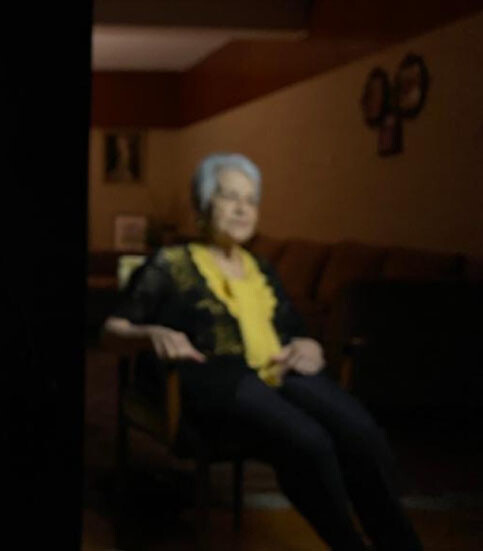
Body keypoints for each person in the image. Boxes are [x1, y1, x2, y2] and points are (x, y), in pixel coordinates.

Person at [104, 153, 422, 551]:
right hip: (217, 380)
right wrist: (150, 333)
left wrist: (308, 344)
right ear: (202, 204)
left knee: (362, 432)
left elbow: (293, 329)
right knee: (309, 441)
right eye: (229, 196)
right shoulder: (169, 264)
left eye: (251, 200)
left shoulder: (261, 268)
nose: (242, 209)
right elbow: (111, 331)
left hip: (279, 373)